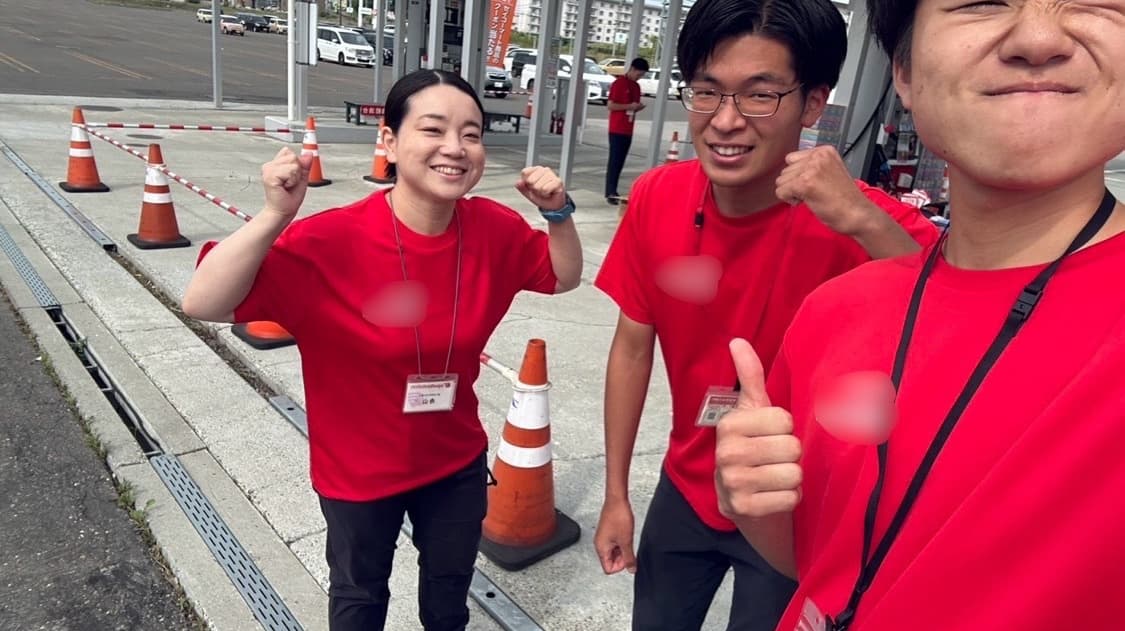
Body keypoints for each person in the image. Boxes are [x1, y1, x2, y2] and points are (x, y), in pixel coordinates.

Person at [714, 1, 1125, 629]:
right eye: (981, 1)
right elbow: (819, 562)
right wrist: (751, 502)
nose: (1039, 37)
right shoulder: (835, 310)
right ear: (902, 71)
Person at [181, 69, 583, 631]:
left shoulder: (495, 229)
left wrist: (558, 212)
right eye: (433, 130)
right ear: (390, 142)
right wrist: (275, 214)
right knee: (359, 597)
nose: (455, 148)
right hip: (358, 473)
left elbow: (563, 277)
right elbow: (203, 301)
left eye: (471, 134)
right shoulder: (330, 241)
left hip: (453, 462)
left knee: (449, 596)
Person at [592, 0, 940, 629]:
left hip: (796, 506)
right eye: (707, 91)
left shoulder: (859, 217)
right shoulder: (655, 197)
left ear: (813, 104)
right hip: (688, 483)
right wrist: (616, 495)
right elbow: (632, 347)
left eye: (760, 96)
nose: (726, 121)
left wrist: (861, 221)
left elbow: (962, 312)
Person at [605, 57, 648, 205]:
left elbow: (633, 105)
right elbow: (611, 105)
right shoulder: (619, 84)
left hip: (628, 128)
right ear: (632, 69)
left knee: (621, 160)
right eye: (639, 74)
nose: (639, 77)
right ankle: (610, 191)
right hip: (617, 128)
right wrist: (629, 106)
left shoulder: (636, 87)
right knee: (614, 160)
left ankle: (614, 190)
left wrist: (637, 107)